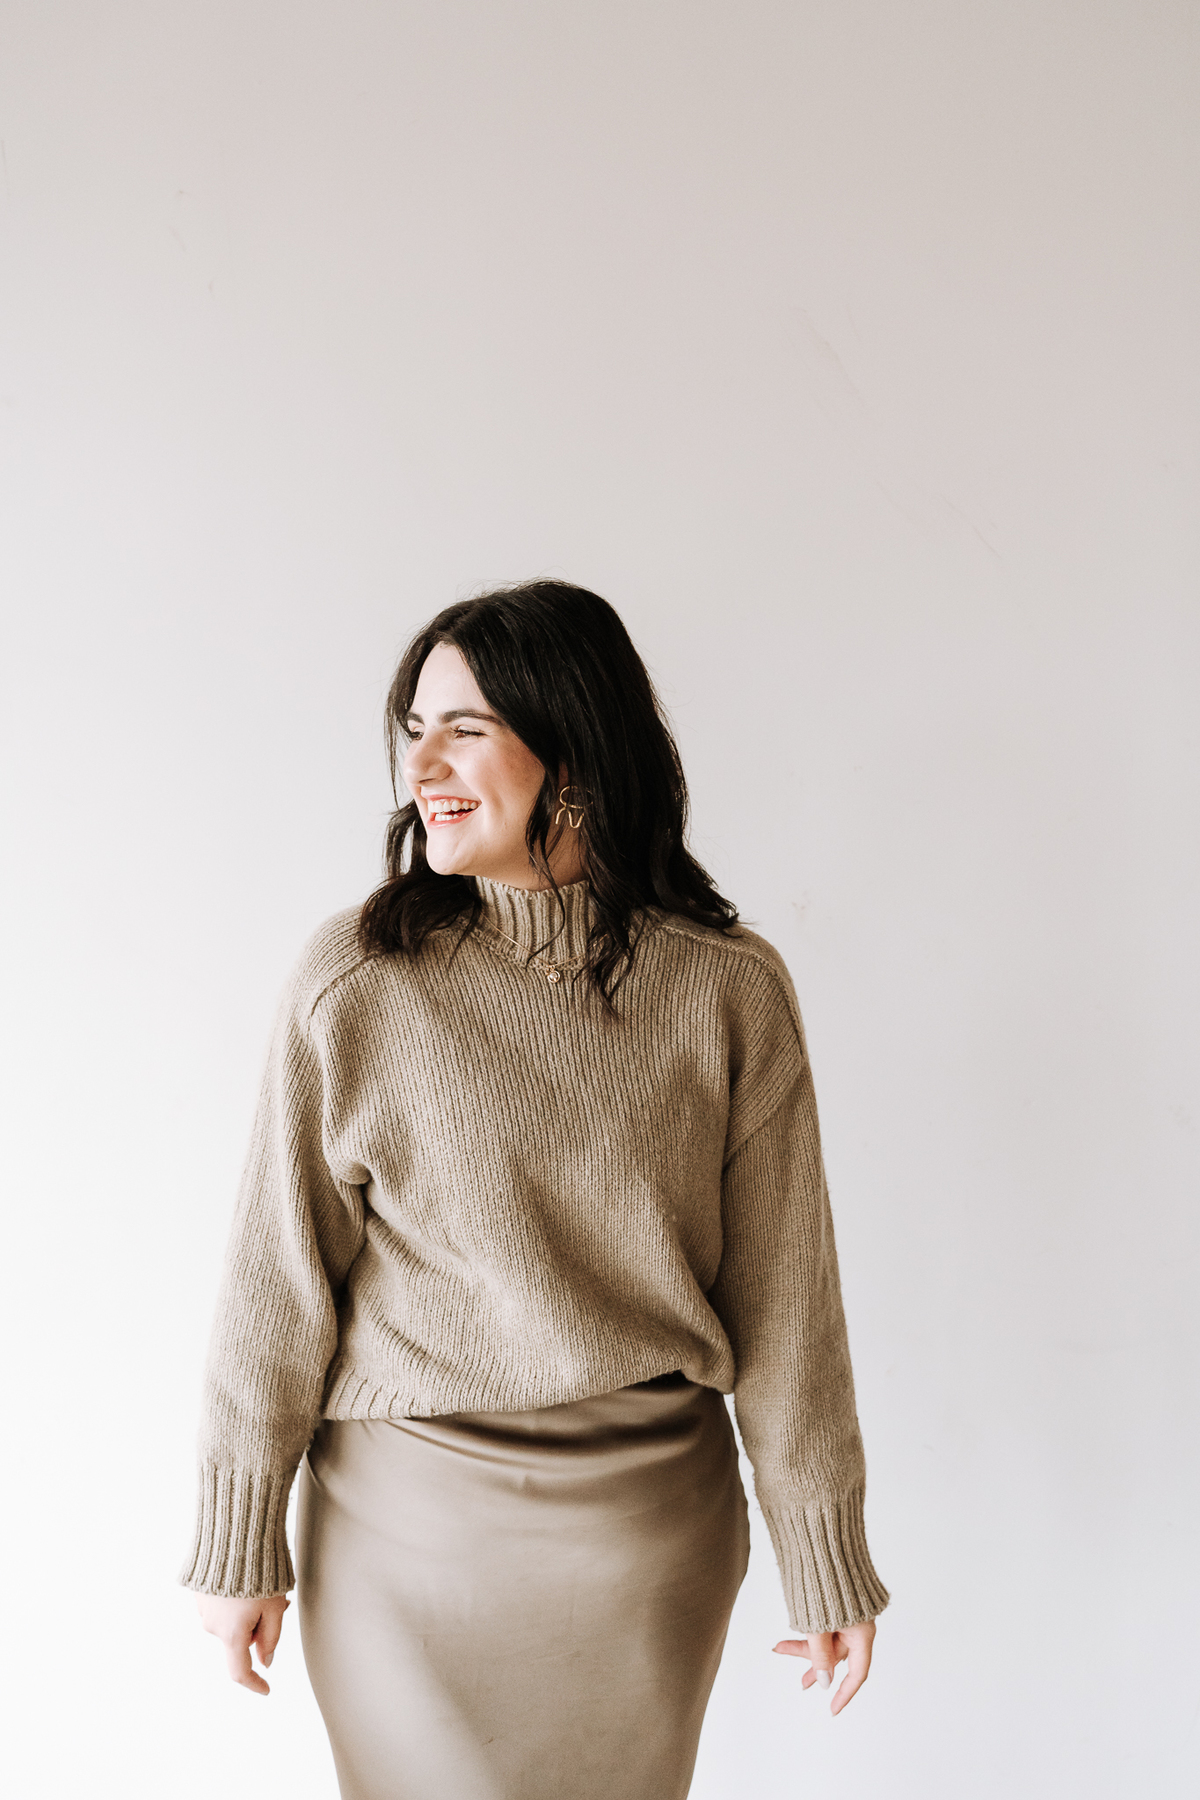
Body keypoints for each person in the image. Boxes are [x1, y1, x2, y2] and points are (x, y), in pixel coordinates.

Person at [183, 580, 889, 1800]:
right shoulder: (359, 980)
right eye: (414, 731)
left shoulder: (729, 989)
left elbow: (788, 1306)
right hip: (406, 1545)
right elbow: (274, 1283)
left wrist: (823, 1553)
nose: (422, 766)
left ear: (572, 751)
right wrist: (239, 1538)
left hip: (644, 1545)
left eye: (464, 730)